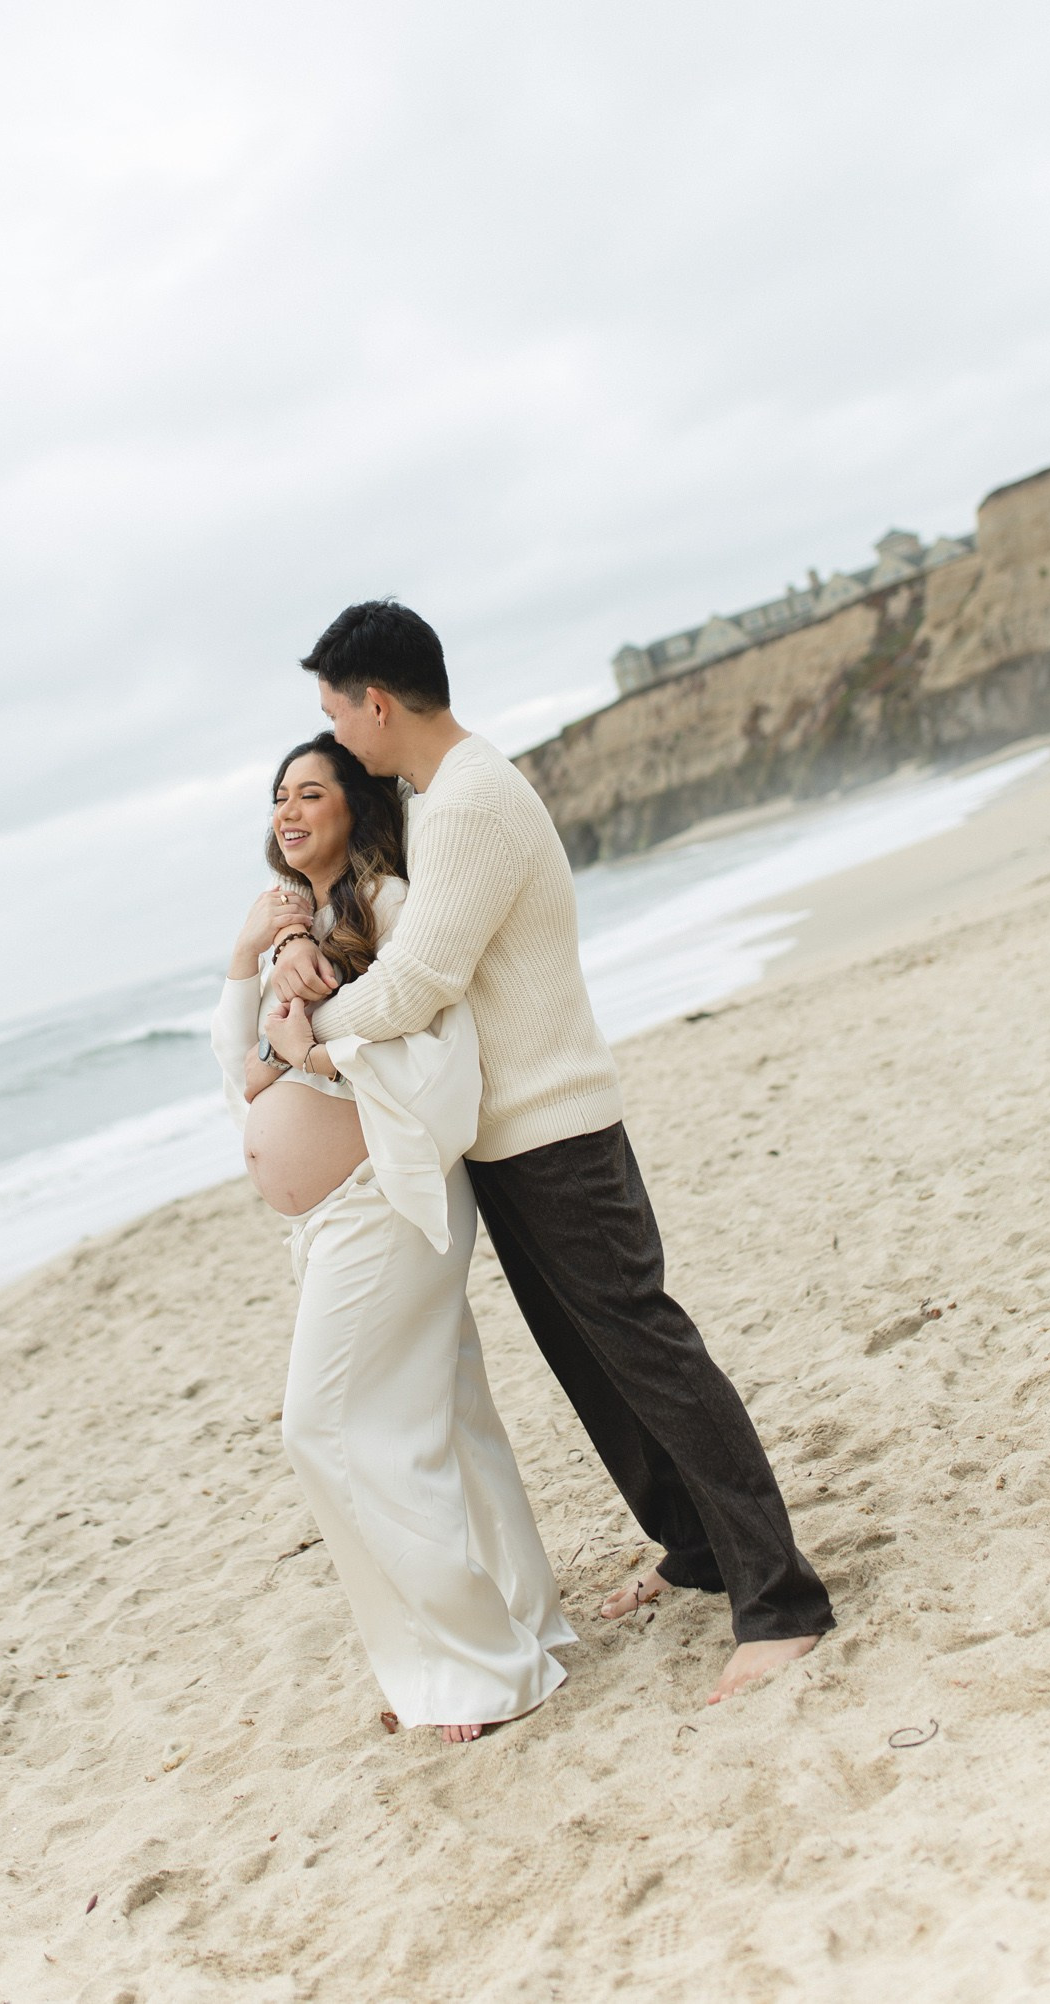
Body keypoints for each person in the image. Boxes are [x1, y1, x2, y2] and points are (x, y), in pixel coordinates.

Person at [269, 602, 834, 1703]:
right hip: (511, 1137)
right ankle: (698, 1550)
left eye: (336, 712)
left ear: (373, 703)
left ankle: (782, 1598)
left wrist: (312, 1039)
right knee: (591, 1367)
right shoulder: (440, 805)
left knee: (648, 1353)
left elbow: (424, 977)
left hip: (558, 1129)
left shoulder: (473, 799)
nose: (337, 734)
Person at [211, 732, 576, 1743]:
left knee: (320, 1427)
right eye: (277, 796)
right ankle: (512, 1635)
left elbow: (433, 1071)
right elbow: (235, 1074)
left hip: (386, 1201)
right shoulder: (307, 924)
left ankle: (480, 1668)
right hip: (334, 1219)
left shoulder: (388, 908)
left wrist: (315, 1054)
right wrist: (248, 956)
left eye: (310, 792)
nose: (287, 811)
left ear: (354, 806)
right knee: (452, 1425)